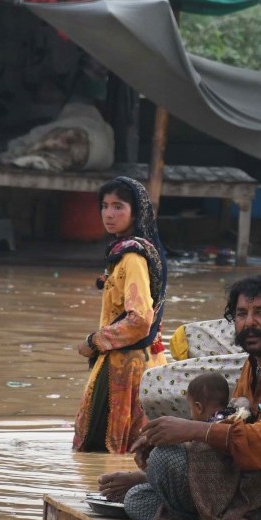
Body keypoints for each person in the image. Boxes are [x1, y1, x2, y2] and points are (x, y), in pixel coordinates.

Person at [99, 274, 261, 520]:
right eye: (241, 314)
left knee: (165, 460)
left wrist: (193, 431)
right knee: (138, 497)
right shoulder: (256, 364)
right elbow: (229, 425)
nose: (249, 323)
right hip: (250, 485)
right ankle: (220, 517)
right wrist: (153, 464)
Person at [72, 177, 168, 454]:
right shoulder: (132, 252)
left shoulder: (133, 258)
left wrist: (93, 342)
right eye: (104, 206)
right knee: (133, 451)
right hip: (143, 360)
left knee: (103, 450)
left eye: (118, 206)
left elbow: (140, 320)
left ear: (136, 212)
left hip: (124, 368)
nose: (109, 214)